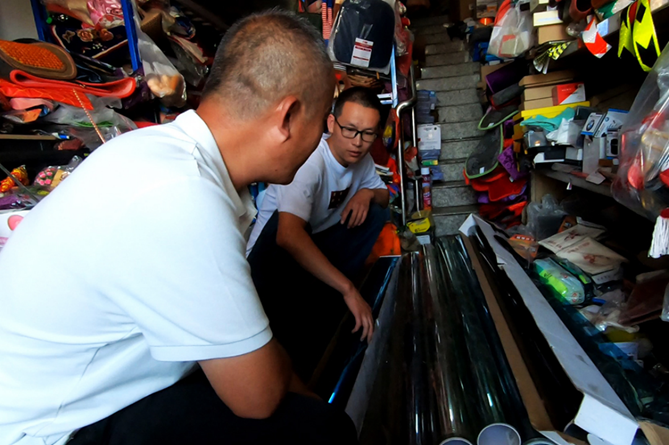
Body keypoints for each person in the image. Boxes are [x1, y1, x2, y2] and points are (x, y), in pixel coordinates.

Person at [0, 11, 357, 445]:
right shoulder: (182, 194)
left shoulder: (159, 153)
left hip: (85, 396)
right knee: (321, 431)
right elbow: (257, 397)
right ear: (288, 118)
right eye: (322, 124)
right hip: (49, 429)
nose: (320, 141)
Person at [247, 87, 390, 380]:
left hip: (314, 242)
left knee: (376, 212)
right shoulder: (310, 161)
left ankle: (325, 298)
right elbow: (287, 236)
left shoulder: (360, 159)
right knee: (288, 228)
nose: (358, 142)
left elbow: (384, 195)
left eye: (368, 134)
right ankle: (320, 302)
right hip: (270, 261)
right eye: (350, 130)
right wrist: (348, 289)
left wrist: (367, 193)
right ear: (331, 123)